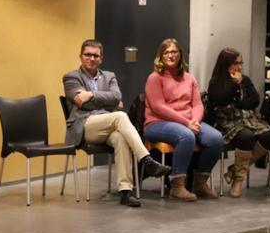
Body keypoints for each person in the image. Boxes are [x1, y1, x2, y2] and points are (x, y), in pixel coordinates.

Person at [62, 40, 171, 207]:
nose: (92, 58)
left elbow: (116, 97)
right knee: (120, 116)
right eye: (88, 55)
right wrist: (106, 100)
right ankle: (146, 160)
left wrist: (90, 95)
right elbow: (81, 102)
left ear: (101, 58)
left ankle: (126, 192)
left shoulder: (109, 76)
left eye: (96, 55)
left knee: (120, 137)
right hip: (84, 126)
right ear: (80, 57)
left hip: (107, 123)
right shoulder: (71, 77)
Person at [144, 38, 224, 201]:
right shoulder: (155, 78)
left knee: (216, 138)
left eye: (174, 52)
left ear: (180, 54)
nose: (171, 55)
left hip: (188, 122)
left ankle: (199, 183)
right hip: (157, 123)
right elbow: (159, 107)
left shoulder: (189, 78)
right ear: (160, 56)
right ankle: (177, 186)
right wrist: (187, 123)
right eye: (166, 52)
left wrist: (194, 120)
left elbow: (197, 104)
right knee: (185, 135)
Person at [206, 48, 270, 198]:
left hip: (248, 119)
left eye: (241, 63)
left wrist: (237, 103)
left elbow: (254, 100)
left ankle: (234, 171)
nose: (239, 67)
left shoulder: (245, 79)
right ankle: (238, 181)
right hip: (227, 122)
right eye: (235, 63)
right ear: (225, 64)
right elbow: (221, 99)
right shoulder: (216, 82)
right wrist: (235, 86)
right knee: (247, 137)